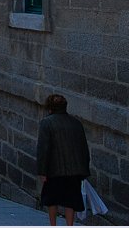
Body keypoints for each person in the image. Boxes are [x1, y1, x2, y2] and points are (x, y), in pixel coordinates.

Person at [36, 94, 91, 226]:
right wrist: (83, 170)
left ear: (50, 108)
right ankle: (69, 225)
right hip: (74, 171)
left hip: (54, 170)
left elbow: (43, 149)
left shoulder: (46, 123)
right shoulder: (76, 123)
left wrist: (42, 172)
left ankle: (53, 224)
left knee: (52, 200)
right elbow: (83, 148)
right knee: (70, 201)